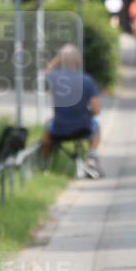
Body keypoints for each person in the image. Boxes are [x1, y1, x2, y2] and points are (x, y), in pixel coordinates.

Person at [41, 44, 103, 176]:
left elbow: (45, 72)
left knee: (47, 125)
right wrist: (86, 114)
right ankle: (92, 154)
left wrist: (57, 59)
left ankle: (44, 164)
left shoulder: (55, 77)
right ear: (78, 61)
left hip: (58, 129)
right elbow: (97, 110)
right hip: (83, 128)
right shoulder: (87, 80)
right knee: (96, 126)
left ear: (62, 60)